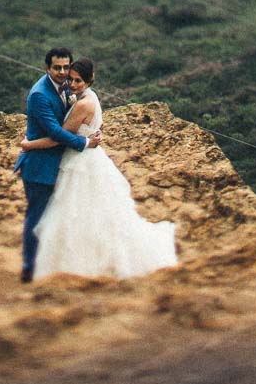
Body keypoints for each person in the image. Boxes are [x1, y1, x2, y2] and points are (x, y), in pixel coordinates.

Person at [19, 57, 178, 279]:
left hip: (79, 162)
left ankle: (81, 263)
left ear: (90, 80)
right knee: (89, 212)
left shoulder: (84, 103)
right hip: (88, 158)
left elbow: (59, 137)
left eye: (78, 81)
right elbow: (94, 125)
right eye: (71, 79)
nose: (73, 84)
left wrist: (29, 144)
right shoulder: (88, 97)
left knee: (78, 213)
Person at [14, 47, 99, 282]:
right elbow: (54, 132)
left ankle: (51, 262)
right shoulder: (40, 94)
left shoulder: (68, 88)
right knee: (37, 218)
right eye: (57, 68)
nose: (62, 72)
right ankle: (29, 269)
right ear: (47, 68)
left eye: (65, 67)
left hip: (60, 163)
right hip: (39, 166)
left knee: (57, 217)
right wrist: (85, 142)